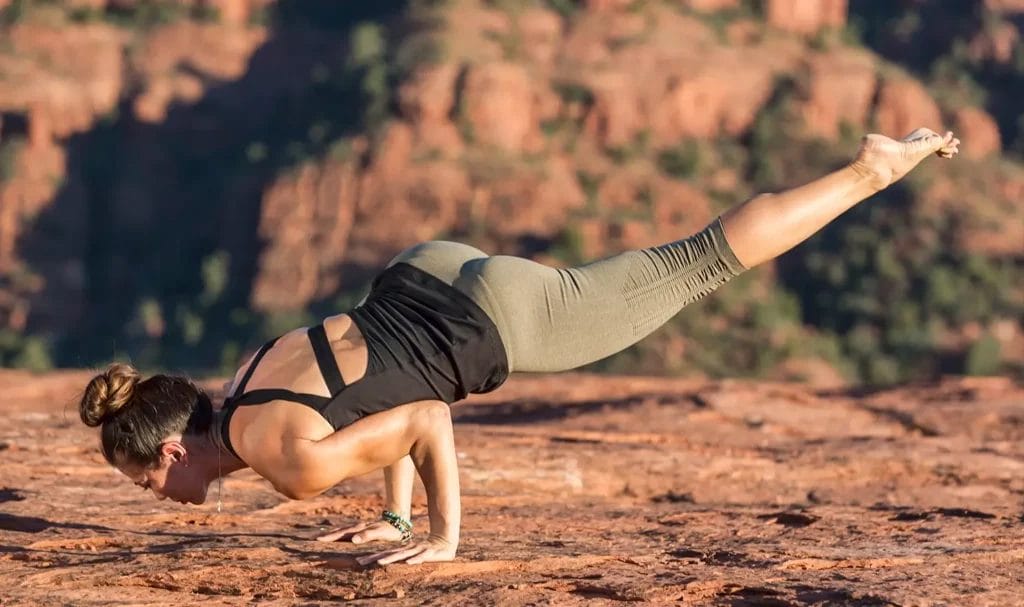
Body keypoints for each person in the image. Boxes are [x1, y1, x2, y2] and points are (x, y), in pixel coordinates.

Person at [78, 128, 960, 566]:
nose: (163, 497)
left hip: (494, 320)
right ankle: (866, 169)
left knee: (697, 263)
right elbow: (373, 405)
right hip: (424, 274)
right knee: (681, 266)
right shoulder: (243, 381)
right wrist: (393, 515)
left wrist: (444, 536)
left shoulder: (283, 460)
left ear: (170, 447)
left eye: (149, 479)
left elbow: (423, 414)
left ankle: (870, 169)